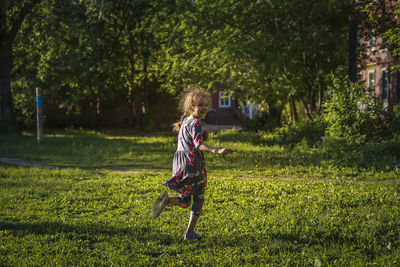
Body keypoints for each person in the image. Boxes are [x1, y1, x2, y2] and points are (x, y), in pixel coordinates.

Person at [152, 85, 232, 241]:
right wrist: (216, 150)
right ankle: (189, 233)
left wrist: (202, 136)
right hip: (192, 164)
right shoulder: (195, 123)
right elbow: (197, 145)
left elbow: (190, 140)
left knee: (186, 199)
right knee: (199, 197)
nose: (204, 108)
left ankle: (167, 201)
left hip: (180, 164)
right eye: (200, 105)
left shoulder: (185, 121)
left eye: (206, 105)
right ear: (191, 107)